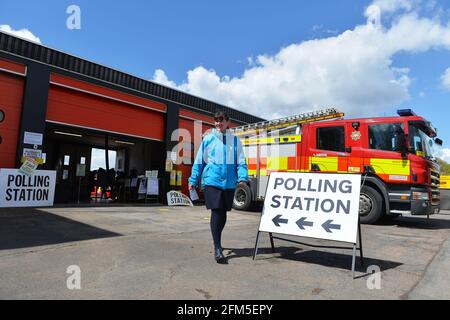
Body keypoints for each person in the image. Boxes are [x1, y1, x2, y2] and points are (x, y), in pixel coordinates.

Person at [189, 110, 248, 264]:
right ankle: (217, 247)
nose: (218, 123)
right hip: (212, 181)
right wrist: (193, 179)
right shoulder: (208, 140)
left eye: (221, 120)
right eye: (215, 120)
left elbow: (241, 162)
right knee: (216, 211)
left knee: (223, 213)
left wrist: (242, 177)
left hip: (229, 183)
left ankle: (217, 240)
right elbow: (199, 161)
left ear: (228, 122)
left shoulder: (235, 142)